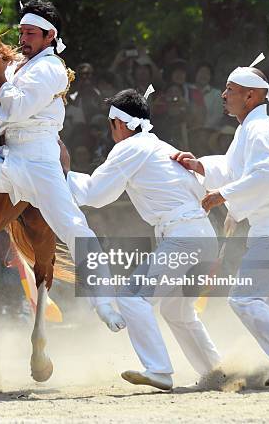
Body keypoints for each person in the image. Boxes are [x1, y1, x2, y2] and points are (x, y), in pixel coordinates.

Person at [0, 0, 124, 331]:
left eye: (31, 33)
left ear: (50, 36)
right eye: (21, 32)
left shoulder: (51, 68)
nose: (23, 38)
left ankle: (104, 302)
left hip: (39, 162)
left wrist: (0, 77)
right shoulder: (21, 65)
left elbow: (17, 108)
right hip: (10, 159)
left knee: (76, 230)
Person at [64, 88, 221, 390]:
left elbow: (95, 194)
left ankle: (159, 369)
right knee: (177, 311)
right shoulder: (160, 146)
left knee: (131, 297)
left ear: (119, 124)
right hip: (202, 236)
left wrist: (59, 174)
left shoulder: (130, 148)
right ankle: (216, 373)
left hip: (183, 237)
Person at [172, 54, 269, 387]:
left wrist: (223, 195)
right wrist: (201, 166)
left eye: (230, 89)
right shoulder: (252, 129)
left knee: (244, 298)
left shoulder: (259, 128)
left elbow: (262, 174)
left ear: (251, 95)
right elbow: (236, 168)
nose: (223, 95)